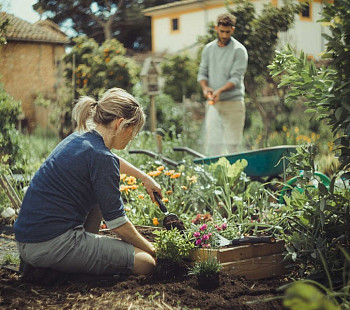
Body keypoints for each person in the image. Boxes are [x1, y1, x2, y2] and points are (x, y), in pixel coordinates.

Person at [14, 88, 161, 277]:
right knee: (146, 263)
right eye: (132, 132)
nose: (132, 138)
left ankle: (63, 264)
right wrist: (153, 249)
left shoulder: (79, 139)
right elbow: (118, 225)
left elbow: (109, 160)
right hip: (51, 245)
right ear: (120, 124)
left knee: (100, 195)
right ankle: (58, 268)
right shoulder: (101, 158)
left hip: (28, 240)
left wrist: (144, 177)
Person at [198, 13, 248, 156]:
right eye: (222, 31)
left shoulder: (239, 50)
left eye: (227, 32)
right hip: (214, 104)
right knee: (214, 146)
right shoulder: (208, 49)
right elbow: (202, 73)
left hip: (233, 103)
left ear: (232, 30)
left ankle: (234, 177)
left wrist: (219, 91)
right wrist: (205, 88)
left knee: (233, 146)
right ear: (216, 29)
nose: (225, 35)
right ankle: (217, 178)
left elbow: (236, 78)